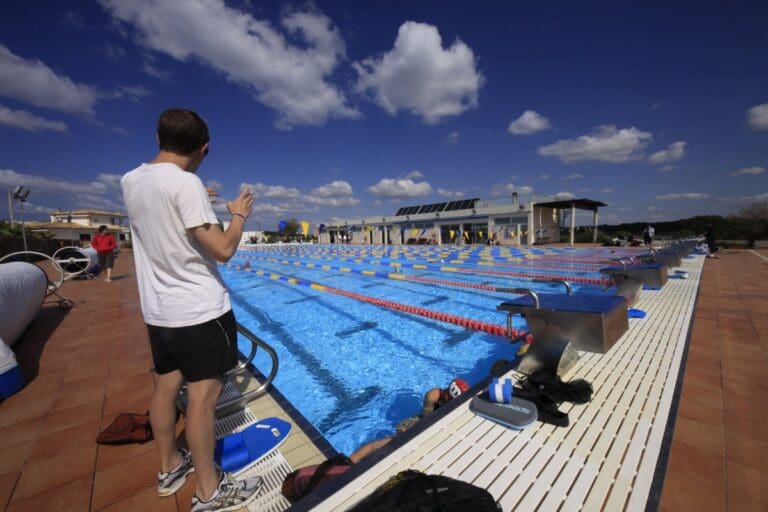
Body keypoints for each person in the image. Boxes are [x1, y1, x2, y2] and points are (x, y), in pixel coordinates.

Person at [121, 108, 262, 512]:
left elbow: (162, 210)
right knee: (202, 401)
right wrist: (237, 214)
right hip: (199, 312)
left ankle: (169, 468)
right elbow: (223, 250)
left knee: (166, 388)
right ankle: (209, 492)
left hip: (158, 312)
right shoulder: (187, 185)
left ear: (159, 137)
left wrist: (200, 199)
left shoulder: (132, 180)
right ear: (204, 148)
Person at [349, 378, 470, 463]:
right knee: (392, 440)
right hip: (421, 421)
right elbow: (427, 416)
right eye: (450, 400)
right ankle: (353, 459)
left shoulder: (449, 399)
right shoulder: (433, 395)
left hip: (436, 423)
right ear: (447, 395)